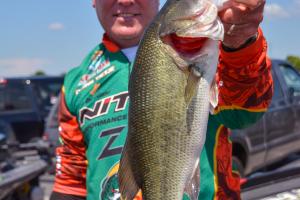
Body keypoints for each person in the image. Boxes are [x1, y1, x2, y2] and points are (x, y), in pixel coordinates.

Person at [50, 0, 272, 199]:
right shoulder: (75, 81)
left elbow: (244, 113)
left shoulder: (214, 48)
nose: (126, 1)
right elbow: (71, 180)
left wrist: (241, 44)